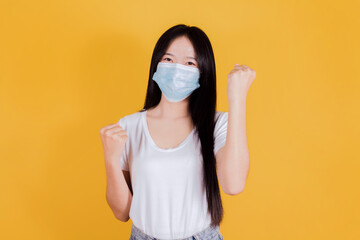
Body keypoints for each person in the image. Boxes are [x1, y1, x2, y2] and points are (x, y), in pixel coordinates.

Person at [100, 24, 256, 240]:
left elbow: (234, 184)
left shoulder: (217, 123)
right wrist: (111, 159)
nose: (176, 69)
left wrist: (237, 97)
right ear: (156, 64)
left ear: (203, 71)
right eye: (168, 59)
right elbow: (122, 212)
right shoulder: (129, 126)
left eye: (190, 63)